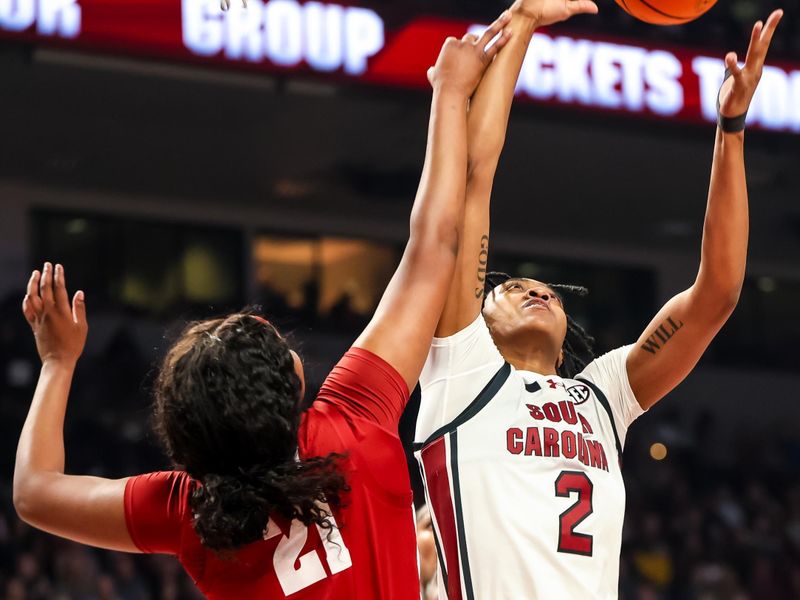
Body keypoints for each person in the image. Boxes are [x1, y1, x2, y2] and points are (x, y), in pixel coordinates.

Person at [12, 14, 514, 600]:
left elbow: (32, 492)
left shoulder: (185, 509)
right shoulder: (352, 423)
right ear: (297, 379)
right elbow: (434, 244)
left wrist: (57, 362)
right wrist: (450, 93)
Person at [413, 1, 784, 597]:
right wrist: (525, 24)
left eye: (546, 289)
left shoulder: (600, 396)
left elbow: (717, 294)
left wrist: (732, 127)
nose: (535, 288)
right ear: (473, 321)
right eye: (509, 287)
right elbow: (473, 181)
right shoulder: (461, 367)